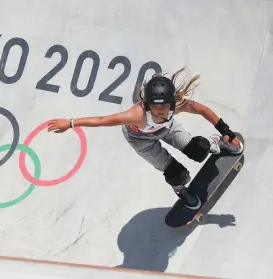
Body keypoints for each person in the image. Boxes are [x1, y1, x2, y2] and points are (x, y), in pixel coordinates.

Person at [47, 67, 243, 210]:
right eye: (155, 109)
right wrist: (71, 123)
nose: (160, 112)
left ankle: (215, 142)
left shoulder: (178, 104)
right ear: (148, 105)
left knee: (199, 150)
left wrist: (225, 130)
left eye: (165, 108)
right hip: (141, 140)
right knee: (176, 174)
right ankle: (180, 190)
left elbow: (202, 110)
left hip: (168, 130)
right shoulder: (136, 114)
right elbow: (101, 120)